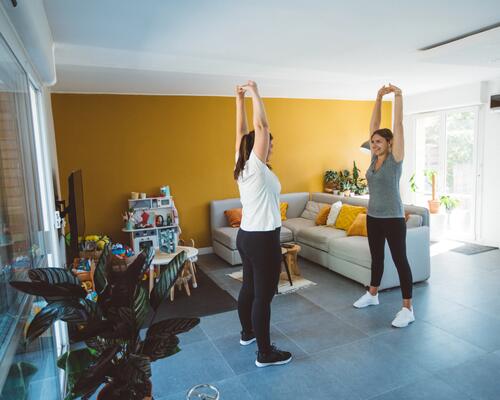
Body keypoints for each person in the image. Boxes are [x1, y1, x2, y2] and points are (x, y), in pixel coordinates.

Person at [234, 80, 292, 367]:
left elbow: (241, 132)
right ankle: (265, 352)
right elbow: (262, 128)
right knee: (263, 296)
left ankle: (248, 334)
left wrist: (238, 101)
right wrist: (255, 94)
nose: (271, 147)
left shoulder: (241, 164)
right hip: (263, 238)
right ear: (258, 146)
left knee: (249, 288)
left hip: (246, 236)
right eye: (269, 145)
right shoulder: (255, 166)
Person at [353, 84, 415, 328]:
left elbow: (398, 126)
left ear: (390, 143)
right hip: (373, 216)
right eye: (373, 141)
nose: (374, 144)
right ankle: (373, 294)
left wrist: (398, 95)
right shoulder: (373, 159)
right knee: (376, 258)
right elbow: (373, 124)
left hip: (393, 218)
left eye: (379, 141)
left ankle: (408, 308)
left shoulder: (395, 159)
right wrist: (378, 97)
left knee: (400, 260)